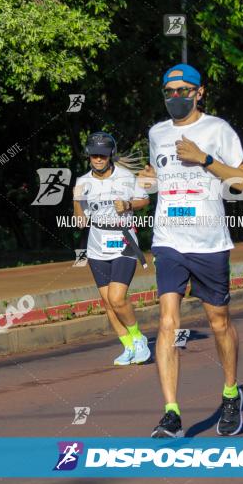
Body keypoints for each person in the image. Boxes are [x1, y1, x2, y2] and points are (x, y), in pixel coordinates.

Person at [142, 64, 243, 438]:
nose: (176, 97)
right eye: (169, 91)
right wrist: (146, 184)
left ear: (199, 91)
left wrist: (204, 158)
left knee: (219, 321)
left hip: (209, 242)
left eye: (183, 90)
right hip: (168, 240)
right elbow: (156, 176)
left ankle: (231, 393)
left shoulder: (218, 129)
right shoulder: (157, 133)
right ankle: (171, 412)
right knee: (167, 322)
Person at [73, 132, 151, 366]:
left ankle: (138, 338)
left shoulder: (126, 177)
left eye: (102, 155)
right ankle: (127, 346)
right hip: (97, 247)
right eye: (94, 155)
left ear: (110, 156)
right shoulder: (82, 182)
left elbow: (144, 199)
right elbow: (80, 222)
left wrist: (127, 204)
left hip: (123, 243)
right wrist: (76, 201)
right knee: (107, 302)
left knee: (117, 298)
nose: (98, 159)